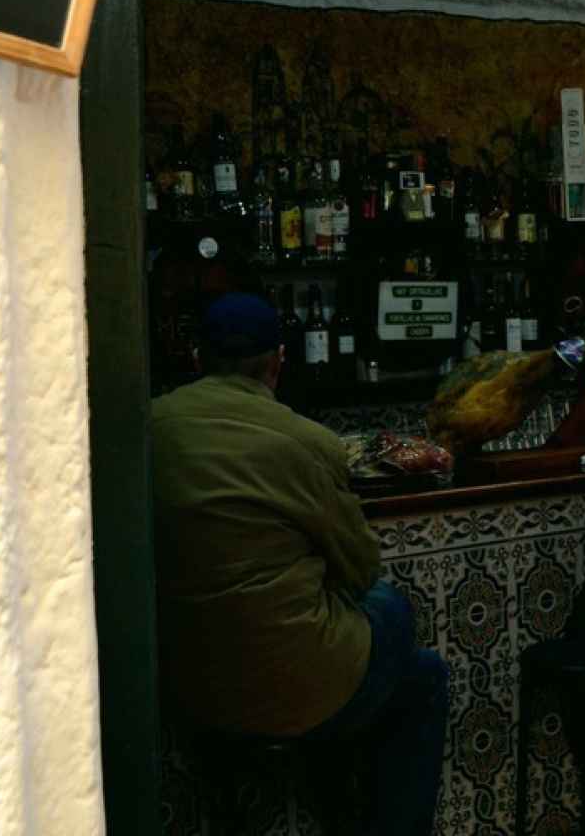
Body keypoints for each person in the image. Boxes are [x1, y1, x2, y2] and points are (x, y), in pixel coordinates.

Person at [152, 292, 448, 835]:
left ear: (197, 359)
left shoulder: (150, 426)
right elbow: (360, 568)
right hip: (296, 689)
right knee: (404, 636)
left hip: (187, 683)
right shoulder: (308, 442)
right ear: (278, 363)